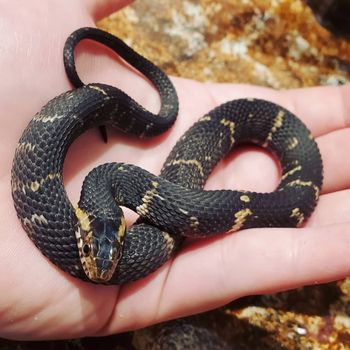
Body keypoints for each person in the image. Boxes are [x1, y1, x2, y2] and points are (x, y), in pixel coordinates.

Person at [1, 0, 349, 340]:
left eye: (100, 254)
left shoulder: (106, 186)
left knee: (290, 201)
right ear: (87, 218)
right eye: (93, 253)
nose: (102, 270)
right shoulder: (101, 189)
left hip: (248, 138)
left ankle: (142, 115)